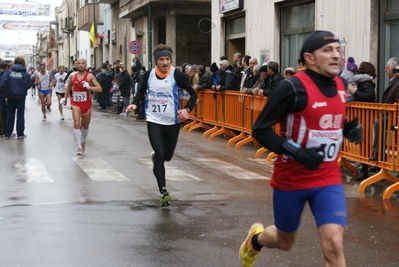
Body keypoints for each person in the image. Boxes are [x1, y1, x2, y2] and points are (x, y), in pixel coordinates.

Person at [239, 30, 362, 267]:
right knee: (285, 241)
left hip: (327, 178)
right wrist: (297, 152)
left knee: (334, 245)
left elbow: (327, 119)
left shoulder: (340, 84)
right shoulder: (292, 87)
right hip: (292, 178)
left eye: (337, 49)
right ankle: (255, 241)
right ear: (309, 58)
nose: (336, 55)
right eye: (327, 50)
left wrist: (347, 129)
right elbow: (261, 130)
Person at [125, 44, 197, 207]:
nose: (165, 63)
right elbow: (140, 91)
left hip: (172, 121)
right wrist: (134, 104)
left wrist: (187, 109)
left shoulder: (176, 74)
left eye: (167, 59)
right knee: (159, 152)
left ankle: (158, 157)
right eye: (161, 59)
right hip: (154, 119)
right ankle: (163, 190)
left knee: (167, 156)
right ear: (156, 61)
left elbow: (193, 94)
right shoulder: (149, 75)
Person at [60, 58, 102, 155]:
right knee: (76, 123)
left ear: (86, 65)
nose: (81, 65)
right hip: (75, 103)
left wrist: (90, 87)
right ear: (75, 65)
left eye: (83, 63)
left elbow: (100, 89)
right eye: (79, 63)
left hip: (86, 104)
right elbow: (69, 87)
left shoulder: (90, 77)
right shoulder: (72, 76)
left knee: (85, 125)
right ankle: (79, 147)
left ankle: (83, 141)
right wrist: (65, 98)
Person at [368, 57, 399, 161]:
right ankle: (379, 155)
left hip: (394, 116)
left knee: (378, 123)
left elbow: (396, 102)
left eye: (387, 68)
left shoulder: (397, 83)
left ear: (394, 70)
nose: (385, 70)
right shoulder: (393, 82)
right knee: (377, 122)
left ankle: (379, 153)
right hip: (390, 114)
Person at [0, 57, 31, 139]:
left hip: (10, 96)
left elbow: (2, 84)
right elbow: (28, 85)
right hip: (21, 96)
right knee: (20, 115)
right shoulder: (25, 74)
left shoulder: (8, 73)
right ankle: (20, 134)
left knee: (10, 115)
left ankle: (7, 134)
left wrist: (5, 95)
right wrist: (23, 90)